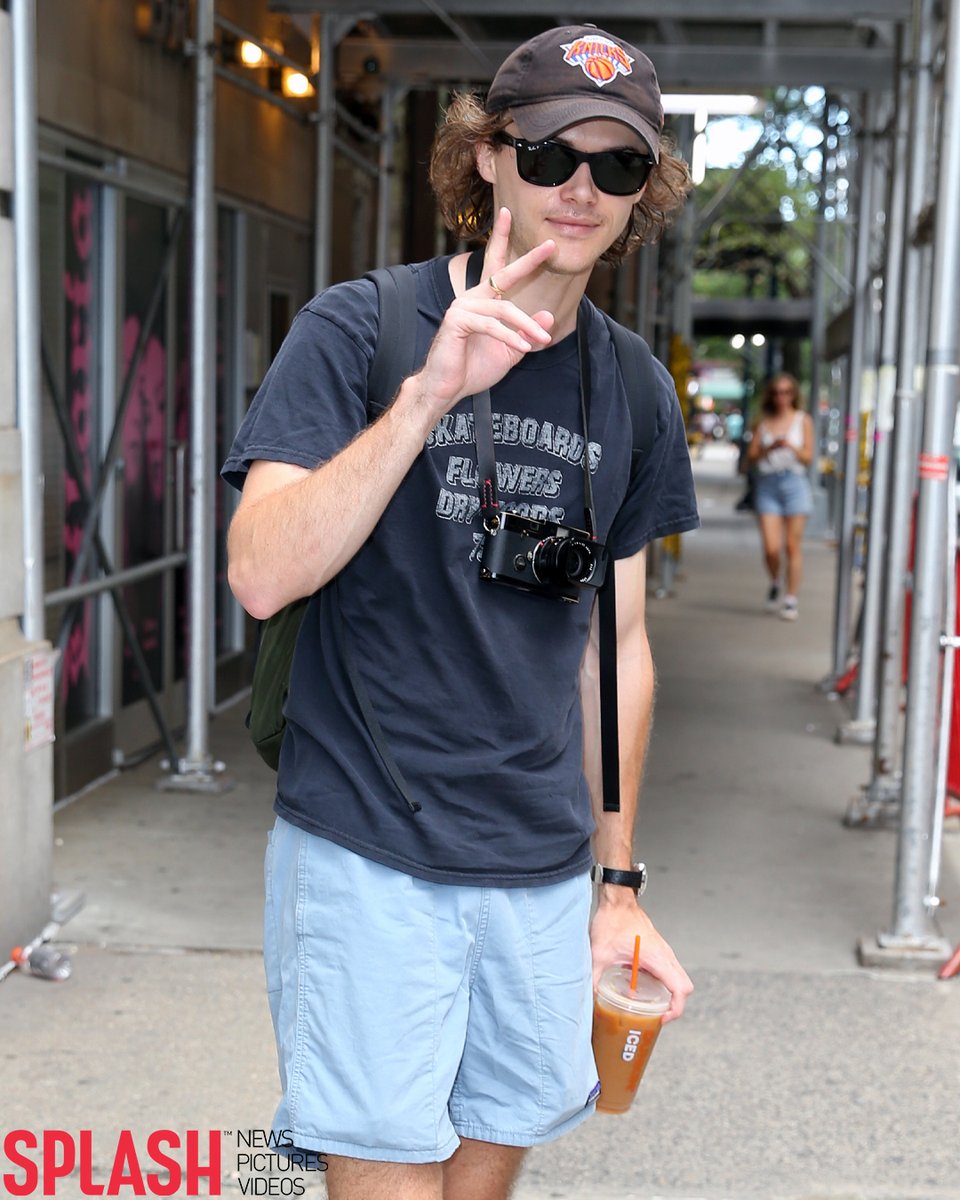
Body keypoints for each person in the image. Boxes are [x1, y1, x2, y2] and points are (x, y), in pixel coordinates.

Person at [223, 24, 699, 1200]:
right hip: (366, 848)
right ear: (487, 159)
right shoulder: (360, 329)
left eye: (618, 166)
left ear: (643, 193)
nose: (581, 188)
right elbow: (261, 572)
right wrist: (433, 391)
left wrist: (617, 886)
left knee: (482, 1185)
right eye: (549, 156)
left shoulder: (634, 384)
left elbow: (619, 649)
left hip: (538, 871)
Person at [746, 372, 815, 620]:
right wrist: (769, 447)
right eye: (776, 392)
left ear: (794, 395)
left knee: (791, 546)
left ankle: (791, 598)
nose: (781, 397)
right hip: (768, 484)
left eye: (786, 392)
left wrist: (791, 447)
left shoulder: (802, 420)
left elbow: (808, 457)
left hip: (794, 483)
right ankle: (776, 580)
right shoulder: (763, 423)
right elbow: (750, 459)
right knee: (771, 548)